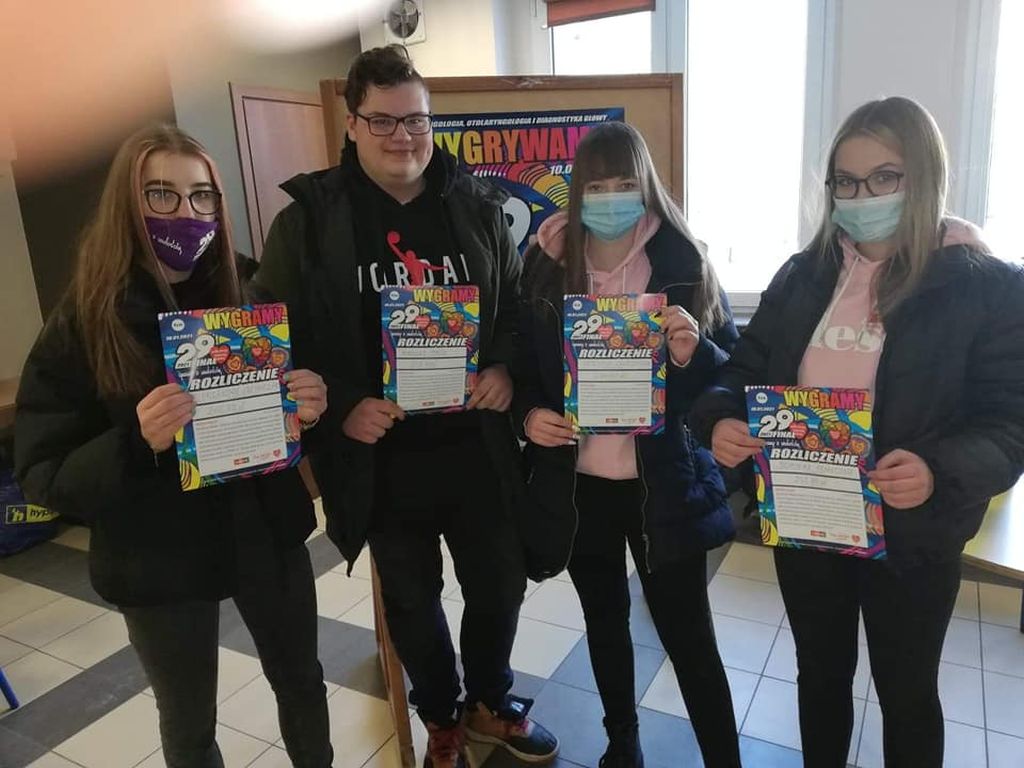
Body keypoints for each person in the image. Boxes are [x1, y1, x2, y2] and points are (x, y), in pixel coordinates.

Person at [691, 96, 1024, 767]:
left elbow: (1009, 423)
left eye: (884, 178)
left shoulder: (987, 287)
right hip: (808, 521)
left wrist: (936, 470)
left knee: (907, 693)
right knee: (819, 677)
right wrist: (722, 418)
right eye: (846, 181)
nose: (862, 197)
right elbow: (744, 371)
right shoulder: (803, 275)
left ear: (923, 177)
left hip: (913, 536)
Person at [251, 45, 558, 768]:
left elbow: (516, 310)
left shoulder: (478, 205)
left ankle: (489, 700)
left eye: (416, 119)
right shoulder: (308, 221)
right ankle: (442, 714)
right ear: (352, 124)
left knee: (499, 586)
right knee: (412, 602)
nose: (403, 136)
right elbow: (273, 336)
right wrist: (342, 405)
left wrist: (503, 368)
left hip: (476, 447)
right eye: (383, 121)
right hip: (381, 460)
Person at [15, 125, 334, 768]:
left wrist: (310, 404)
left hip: (262, 534)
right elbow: (44, 473)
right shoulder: (85, 319)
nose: (185, 212)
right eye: (161, 194)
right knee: (188, 723)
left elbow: (293, 412)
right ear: (126, 205)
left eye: (201, 195)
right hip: (156, 556)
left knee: (302, 683)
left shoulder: (250, 294)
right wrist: (137, 439)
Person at [513, 121, 742, 768]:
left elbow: (727, 377)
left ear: (646, 187)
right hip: (579, 485)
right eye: (597, 185)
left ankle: (724, 758)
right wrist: (530, 416)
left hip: (662, 485)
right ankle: (623, 742)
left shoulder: (682, 263)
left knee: (688, 636)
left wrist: (692, 351)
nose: (611, 197)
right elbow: (521, 366)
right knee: (604, 621)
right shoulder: (545, 263)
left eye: (624, 184)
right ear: (578, 190)